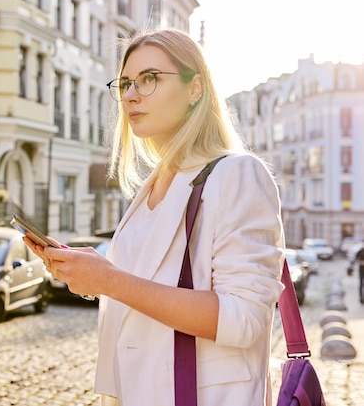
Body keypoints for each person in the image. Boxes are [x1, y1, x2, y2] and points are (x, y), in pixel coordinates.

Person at [23, 28, 285, 406]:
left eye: (149, 79)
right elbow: (141, 291)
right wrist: (88, 274)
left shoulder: (236, 173)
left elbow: (243, 319)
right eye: (126, 82)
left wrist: (110, 280)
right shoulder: (156, 182)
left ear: (195, 88)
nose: (130, 94)